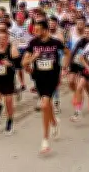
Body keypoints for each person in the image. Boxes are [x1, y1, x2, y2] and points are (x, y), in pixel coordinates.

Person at [22, 19, 69, 154]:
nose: (35, 32)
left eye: (37, 30)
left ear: (45, 30)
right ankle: (54, 122)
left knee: (44, 105)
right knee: (46, 105)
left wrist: (65, 67)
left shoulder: (55, 43)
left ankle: (45, 140)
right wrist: (32, 59)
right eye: (34, 30)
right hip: (39, 78)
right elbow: (24, 62)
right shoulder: (33, 43)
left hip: (52, 78)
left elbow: (67, 53)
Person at [69, 24, 89, 121]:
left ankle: (77, 112)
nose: (88, 34)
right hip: (78, 64)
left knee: (81, 86)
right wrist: (68, 65)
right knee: (76, 83)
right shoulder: (81, 41)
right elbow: (73, 52)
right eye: (86, 32)